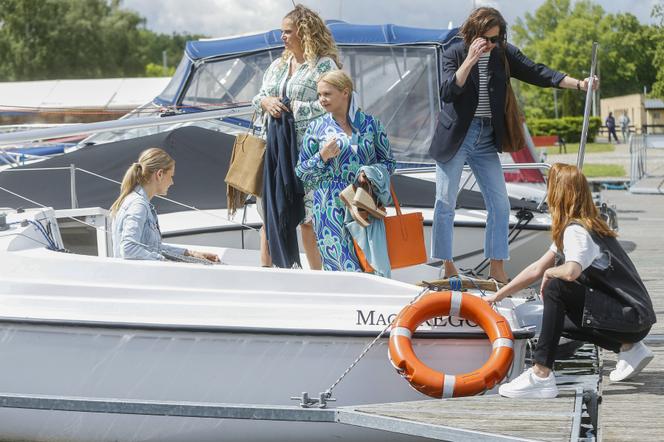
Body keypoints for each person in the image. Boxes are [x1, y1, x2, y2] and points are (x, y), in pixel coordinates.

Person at [428, 7, 597, 284]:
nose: (491, 44)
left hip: (485, 137)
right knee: (445, 202)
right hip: (456, 136)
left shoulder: (503, 54)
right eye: (486, 39)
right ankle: (447, 266)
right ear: (472, 34)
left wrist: (580, 84)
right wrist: (470, 60)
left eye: (495, 39)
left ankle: (496, 269)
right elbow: (447, 91)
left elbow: (538, 73)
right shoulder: (454, 52)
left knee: (500, 204)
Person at [486, 164, 656, 399]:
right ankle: (628, 347)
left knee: (557, 286)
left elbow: (571, 272)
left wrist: (551, 274)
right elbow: (537, 268)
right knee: (558, 322)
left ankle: (541, 373)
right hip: (634, 317)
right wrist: (498, 295)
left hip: (630, 316)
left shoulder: (576, 231)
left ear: (558, 193)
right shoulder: (587, 224)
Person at [252, 4, 341, 270]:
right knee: (271, 217)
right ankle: (267, 277)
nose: (283, 37)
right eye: (282, 32)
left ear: (304, 33)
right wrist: (267, 101)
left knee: (308, 221)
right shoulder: (278, 65)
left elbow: (333, 103)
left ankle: (317, 280)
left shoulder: (323, 65)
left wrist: (291, 108)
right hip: (275, 151)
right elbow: (258, 98)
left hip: (308, 153)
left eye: (287, 31)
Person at [296, 70, 396, 272]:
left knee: (369, 263)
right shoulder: (316, 127)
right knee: (340, 267)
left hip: (364, 202)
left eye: (327, 94)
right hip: (329, 206)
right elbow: (301, 171)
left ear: (345, 92)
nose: (321, 100)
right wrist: (321, 157)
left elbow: (389, 163)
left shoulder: (370, 124)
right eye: (319, 95)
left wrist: (370, 172)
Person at [110, 148, 219, 263]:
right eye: (171, 176)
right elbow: (128, 249)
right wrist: (165, 261)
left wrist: (191, 253)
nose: (172, 182)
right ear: (160, 174)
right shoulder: (138, 205)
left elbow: (151, 248)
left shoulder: (135, 201)